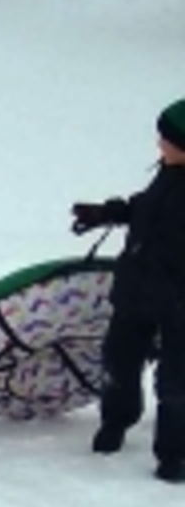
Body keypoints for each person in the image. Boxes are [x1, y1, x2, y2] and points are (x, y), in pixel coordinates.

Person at [70, 98, 185, 483]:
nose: (158, 144)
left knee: (176, 381)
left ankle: (175, 455)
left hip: (177, 301)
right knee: (119, 360)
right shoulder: (169, 172)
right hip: (137, 288)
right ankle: (116, 422)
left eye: (166, 139)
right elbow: (149, 208)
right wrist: (109, 212)